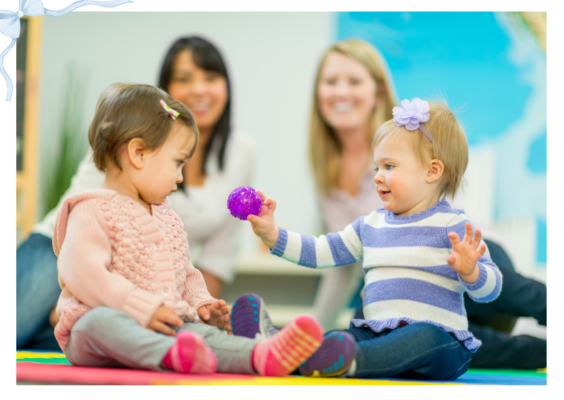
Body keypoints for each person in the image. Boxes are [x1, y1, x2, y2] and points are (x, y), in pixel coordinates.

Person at [53, 83, 323, 376]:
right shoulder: (91, 209)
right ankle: (171, 354)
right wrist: (138, 306)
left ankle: (260, 355)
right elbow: (85, 274)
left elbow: (186, 273)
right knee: (99, 323)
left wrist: (201, 304)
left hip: (163, 327)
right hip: (96, 332)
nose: (181, 177)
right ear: (138, 153)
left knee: (200, 334)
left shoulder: (168, 217)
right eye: (177, 163)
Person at [17, 36, 254, 350]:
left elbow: (214, 258)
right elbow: (86, 228)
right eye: (185, 79)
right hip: (62, 252)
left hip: (135, 282)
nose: (199, 89)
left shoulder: (241, 152)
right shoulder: (125, 143)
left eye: (210, 78)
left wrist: (199, 309)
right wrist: (81, 296)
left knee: (92, 333)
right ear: (166, 90)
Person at [241, 98, 503, 379]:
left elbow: (491, 290)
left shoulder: (453, 226)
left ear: (432, 171)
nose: (377, 177)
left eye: (389, 166)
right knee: (342, 336)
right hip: (377, 334)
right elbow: (321, 251)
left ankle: (350, 360)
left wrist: (471, 272)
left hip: (441, 345)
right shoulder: (370, 225)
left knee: (424, 336)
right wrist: (272, 235)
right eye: (376, 168)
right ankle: (278, 349)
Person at [306, 39, 398, 331]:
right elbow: (341, 267)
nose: (341, 92)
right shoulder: (326, 170)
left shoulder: (402, 151)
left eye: (354, 82)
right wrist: (309, 336)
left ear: (378, 94)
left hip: (464, 273)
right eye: (331, 82)